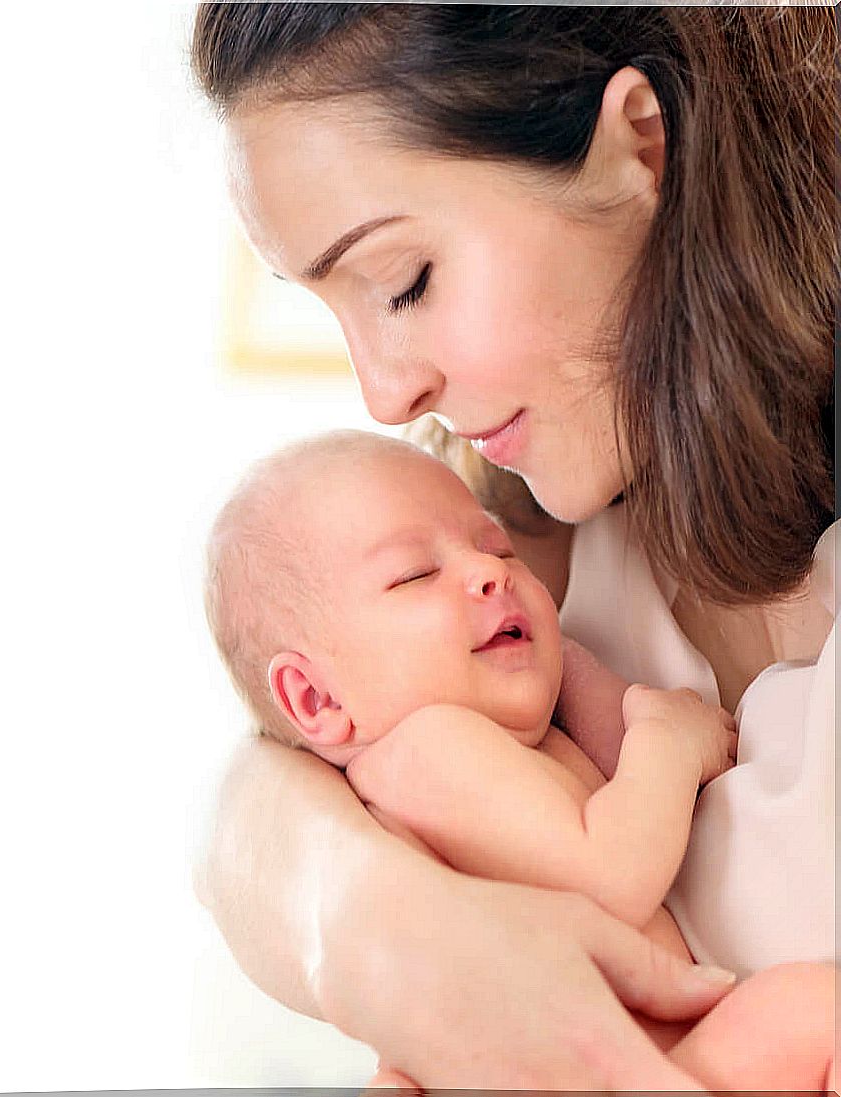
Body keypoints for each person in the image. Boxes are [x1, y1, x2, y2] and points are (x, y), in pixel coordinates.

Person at [189, 5, 837, 1088]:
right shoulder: (538, 541)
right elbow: (260, 795)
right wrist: (382, 937)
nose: (386, 393)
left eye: (404, 282)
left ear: (641, 143)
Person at [203, 429, 835, 1091]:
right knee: (815, 1014)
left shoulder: (506, 724)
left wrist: (589, 685)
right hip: (599, 1070)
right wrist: (666, 741)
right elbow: (614, 873)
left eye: (495, 545)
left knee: (812, 1014)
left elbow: (625, 756)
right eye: (415, 573)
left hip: (658, 1060)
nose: (492, 572)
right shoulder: (428, 748)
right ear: (317, 696)